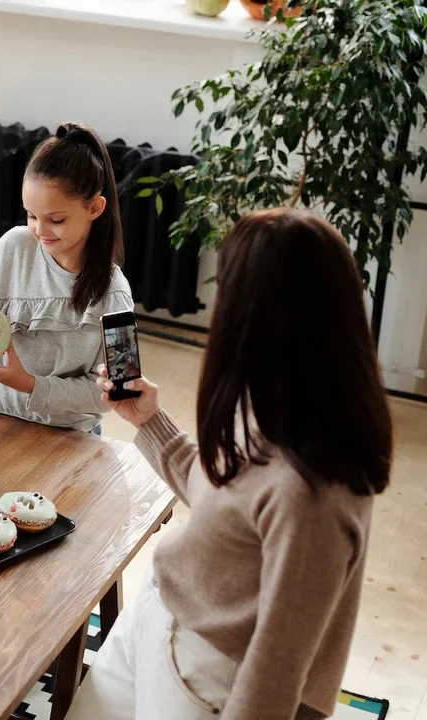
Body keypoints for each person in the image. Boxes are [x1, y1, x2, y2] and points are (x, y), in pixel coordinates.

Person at [68, 209, 392, 719]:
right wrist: (149, 422)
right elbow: (225, 503)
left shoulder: (313, 491)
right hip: (159, 611)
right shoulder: (275, 402)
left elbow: (278, 663)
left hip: (206, 670)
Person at [0, 122, 134, 433]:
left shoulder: (114, 293)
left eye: (56, 219)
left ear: (95, 207)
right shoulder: (14, 245)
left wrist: (31, 385)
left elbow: (120, 389)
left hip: (65, 437)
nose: (39, 230)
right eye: (31, 215)